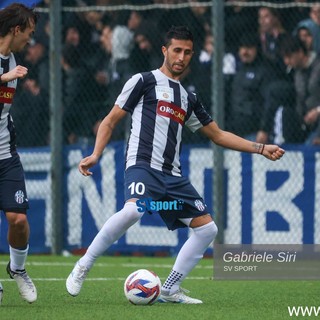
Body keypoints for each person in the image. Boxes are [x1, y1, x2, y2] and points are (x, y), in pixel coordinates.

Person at [66, 26, 285, 304]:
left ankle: (169, 289)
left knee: (207, 230)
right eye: (177, 50)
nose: (182, 57)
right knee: (135, 210)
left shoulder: (189, 98)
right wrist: (96, 153)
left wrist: (261, 148)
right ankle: (84, 264)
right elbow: (110, 120)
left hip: (172, 176)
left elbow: (217, 135)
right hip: (142, 164)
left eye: (187, 52)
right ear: (164, 51)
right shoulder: (143, 81)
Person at [0, 3, 38, 304]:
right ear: (16, 30)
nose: (31, 39)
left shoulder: (12, 59)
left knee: (19, 221)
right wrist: (4, 77)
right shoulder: (8, 67)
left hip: (6, 155)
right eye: (29, 32)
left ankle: (18, 269)